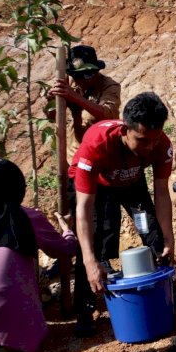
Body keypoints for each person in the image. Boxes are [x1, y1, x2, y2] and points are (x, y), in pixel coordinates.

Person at [69, 92, 175, 337]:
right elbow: (83, 208)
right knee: (93, 244)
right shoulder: (96, 144)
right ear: (124, 130)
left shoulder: (161, 145)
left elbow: (161, 193)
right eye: (142, 139)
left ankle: (164, 294)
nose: (150, 146)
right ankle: (85, 311)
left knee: (154, 236)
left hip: (132, 183)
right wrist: (88, 260)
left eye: (154, 139)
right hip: (98, 186)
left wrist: (169, 239)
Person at [0, 159, 77, 352]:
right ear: (18, 187)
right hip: (13, 319)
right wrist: (66, 230)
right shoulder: (27, 216)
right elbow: (65, 250)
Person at [46, 44, 122, 274]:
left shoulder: (109, 86)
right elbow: (51, 116)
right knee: (72, 210)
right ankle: (68, 256)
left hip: (102, 160)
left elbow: (106, 113)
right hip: (75, 161)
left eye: (87, 74)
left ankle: (102, 258)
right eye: (78, 75)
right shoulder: (72, 87)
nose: (83, 80)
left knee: (103, 213)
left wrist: (74, 99)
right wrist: (53, 99)